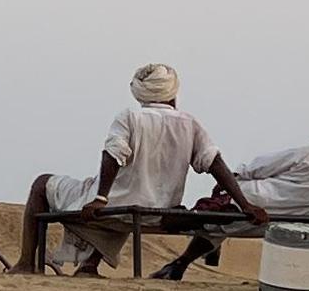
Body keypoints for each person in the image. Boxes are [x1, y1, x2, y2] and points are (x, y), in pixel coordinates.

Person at [20, 64, 227, 277]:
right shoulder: (189, 124)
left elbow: (112, 154)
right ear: (173, 95)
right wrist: (246, 204)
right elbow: (215, 162)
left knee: (42, 184)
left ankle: (26, 263)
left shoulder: (131, 117)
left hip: (120, 208)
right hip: (159, 212)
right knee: (125, 197)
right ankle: (89, 265)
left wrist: (100, 197)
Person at [157, 119, 309, 278]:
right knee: (223, 220)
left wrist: (232, 177)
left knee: (219, 205)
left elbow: (262, 166)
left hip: (252, 206)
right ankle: (181, 263)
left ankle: (182, 250)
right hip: (291, 222)